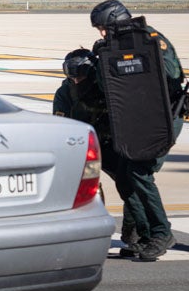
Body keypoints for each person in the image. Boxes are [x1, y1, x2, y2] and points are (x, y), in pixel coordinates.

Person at [90, 0, 187, 261]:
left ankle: (161, 232)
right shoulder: (113, 45)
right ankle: (145, 235)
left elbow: (171, 74)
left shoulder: (151, 39)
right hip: (136, 118)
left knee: (139, 172)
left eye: (103, 28)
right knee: (126, 175)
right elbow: (107, 86)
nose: (101, 33)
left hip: (163, 116)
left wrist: (138, 54)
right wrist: (103, 58)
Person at [53, 48, 141, 257]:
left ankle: (135, 234)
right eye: (71, 76)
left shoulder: (108, 88)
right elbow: (62, 125)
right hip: (83, 147)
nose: (75, 80)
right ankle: (87, 232)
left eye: (80, 75)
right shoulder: (65, 92)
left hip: (113, 144)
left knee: (131, 184)